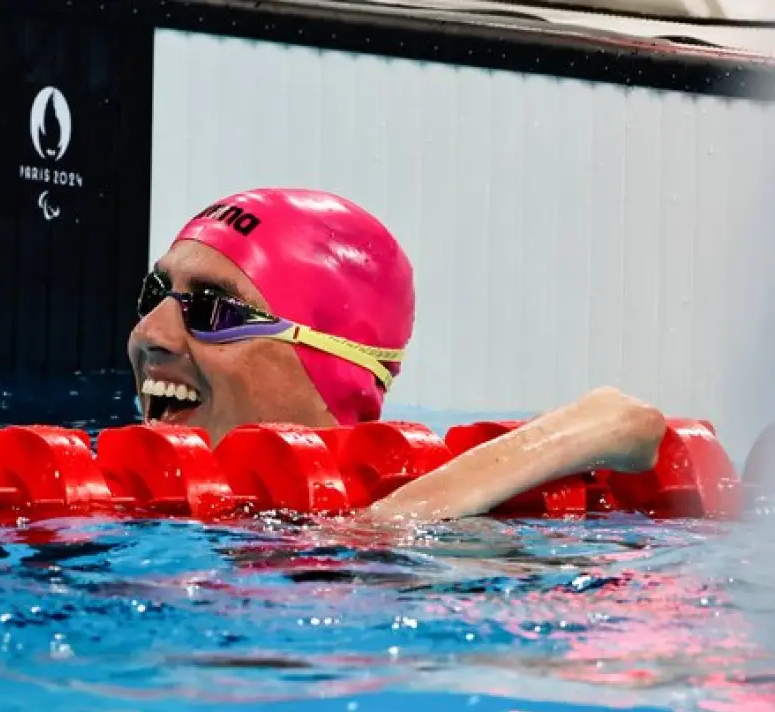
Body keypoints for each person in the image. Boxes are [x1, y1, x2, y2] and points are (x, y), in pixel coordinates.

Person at [127, 188, 667, 523]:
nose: (152, 332)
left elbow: (621, 423)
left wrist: (396, 519)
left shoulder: (457, 549)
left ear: (333, 362)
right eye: (155, 295)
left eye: (213, 309)